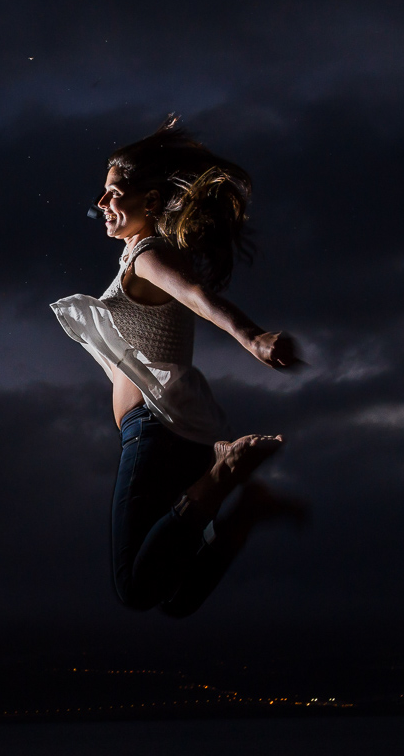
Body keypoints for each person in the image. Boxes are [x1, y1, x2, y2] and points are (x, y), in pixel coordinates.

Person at [51, 117, 306, 617]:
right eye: (101, 194)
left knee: (135, 588)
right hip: (180, 434)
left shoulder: (146, 255)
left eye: (114, 192)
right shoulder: (142, 255)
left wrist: (252, 337)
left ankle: (226, 472)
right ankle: (245, 510)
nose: (102, 203)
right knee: (177, 597)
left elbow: (197, 297)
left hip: (156, 429)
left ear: (149, 200)